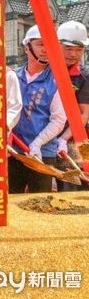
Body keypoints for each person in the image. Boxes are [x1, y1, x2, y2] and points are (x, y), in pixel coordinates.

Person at [9, 25, 66, 193]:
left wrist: (37, 144)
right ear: (27, 47)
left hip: (42, 154)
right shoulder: (13, 77)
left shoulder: (57, 80)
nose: (45, 49)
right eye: (41, 44)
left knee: (40, 202)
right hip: (15, 153)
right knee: (11, 199)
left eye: (49, 45)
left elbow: (58, 120)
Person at [53, 21, 89, 190]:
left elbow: (84, 114)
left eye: (79, 49)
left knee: (77, 181)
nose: (74, 54)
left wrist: (63, 139)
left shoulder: (84, 76)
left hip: (77, 139)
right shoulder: (45, 70)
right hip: (46, 137)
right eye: (69, 48)